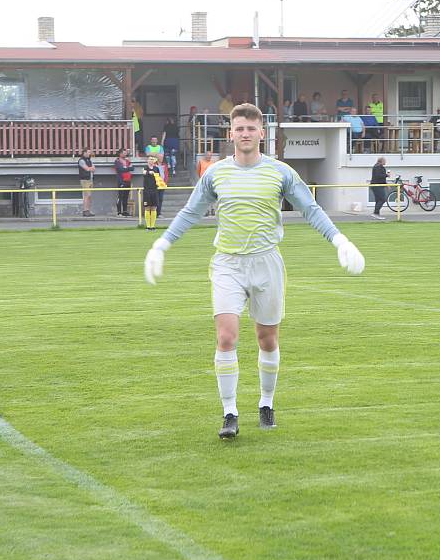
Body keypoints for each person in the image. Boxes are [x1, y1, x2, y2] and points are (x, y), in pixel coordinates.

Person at [143, 103, 365, 439]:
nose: (245, 134)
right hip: (227, 263)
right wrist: (162, 244)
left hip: (267, 263)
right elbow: (191, 212)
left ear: (262, 133)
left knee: (267, 338)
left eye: (251, 128)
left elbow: (310, 208)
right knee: (226, 336)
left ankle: (266, 402)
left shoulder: (280, 172)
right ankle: (229, 412)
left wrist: (339, 240)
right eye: (239, 128)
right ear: (230, 133)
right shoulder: (216, 173)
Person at [142, 155, 162, 230]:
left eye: (152, 159)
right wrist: (149, 172)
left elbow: (159, 178)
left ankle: (153, 226)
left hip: (154, 190)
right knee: (147, 208)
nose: (151, 160)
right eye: (150, 159)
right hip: (147, 191)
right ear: (147, 161)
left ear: (154, 161)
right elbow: (143, 172)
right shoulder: (145, 168)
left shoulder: (156, 168)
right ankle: (148, 226)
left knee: (154, 208)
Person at [114, 148, 134, 216]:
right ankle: (119, 212)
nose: (125, 154)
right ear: (120, 153)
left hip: (128, 180)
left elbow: (132, 168)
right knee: (120, 196)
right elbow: (121, 169)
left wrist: (126, 168)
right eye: (124, 153)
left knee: (126, 197)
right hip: (121, 181)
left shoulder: (127, 161)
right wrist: (127, 168)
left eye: (126, 153)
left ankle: (125, 211)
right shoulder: (117, 161)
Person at [196, 150, 216, 216]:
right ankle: (206, 211)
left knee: (212, 197)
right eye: (208, 155)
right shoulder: (201, 162)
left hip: (211, 182)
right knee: (205, 197)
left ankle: (213, 210)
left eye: (210, 156)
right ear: (205, 155)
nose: (209, 157)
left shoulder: (213, 163)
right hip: (204, 182)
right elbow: (198, 171)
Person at [77, 148, 96, 217]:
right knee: (86, 195)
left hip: (90, 179)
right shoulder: (81, 160)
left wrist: (90, 168)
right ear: (84, 152)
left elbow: (94, 169)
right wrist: (90, 168)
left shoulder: (89, 160)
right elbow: (87, 169)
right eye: (88, 152)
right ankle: (85, 211)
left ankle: (88, 210)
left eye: (90, 152)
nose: (89, 154)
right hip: (85, 180)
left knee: (89, 196)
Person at [155, 152, 169, 217]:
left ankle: (159, 213)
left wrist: (165, 182)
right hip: (156, 185)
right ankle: (154, 213)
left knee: (160, 199)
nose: (161, 158)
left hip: (162, 185)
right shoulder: (154, 165)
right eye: (160, 157)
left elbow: (166, 174)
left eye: (162, 157)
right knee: (156, 199)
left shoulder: (164, 165)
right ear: (157, 158)